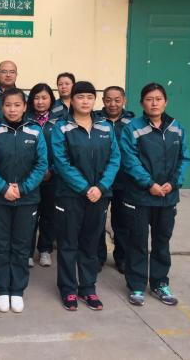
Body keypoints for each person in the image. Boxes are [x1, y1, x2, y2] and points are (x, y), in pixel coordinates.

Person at [51, 81, 120, 311]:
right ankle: (68, 289)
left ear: (94, 100)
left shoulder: (105, 127)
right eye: (80, 97)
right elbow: (61, 162)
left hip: (99, 195)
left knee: (90, 243)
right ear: (72, 100)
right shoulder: (61, 127)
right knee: (68, 244)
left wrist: (100, 187)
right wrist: (85, 188)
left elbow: (114, 159)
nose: (85, 101)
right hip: (70, 196)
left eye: (89, 97)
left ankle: (88, 288)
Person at [120, 83, 190, 307]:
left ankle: (160, 283)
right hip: (140, 197)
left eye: (158, 99)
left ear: (165, 102)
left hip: (167, 197)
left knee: (162, 241)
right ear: (142, 103)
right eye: (149, 99)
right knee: (138, 241)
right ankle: (137, 285)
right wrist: (149, 184)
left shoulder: (177, 128)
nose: (154, 103)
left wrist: (173, 183)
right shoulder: (132, 128)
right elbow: (129, 160)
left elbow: (184, 159)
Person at [0, 88, 48, 313]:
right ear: (2, 107)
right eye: (8, 105)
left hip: (27, 199)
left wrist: (23, 188)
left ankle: (17, 289)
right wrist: (3, 188)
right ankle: (2, 289)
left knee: (21, 245)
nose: (12, 109)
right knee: (1, 245)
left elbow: (41, 164)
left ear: (25, 106)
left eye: (17, 105)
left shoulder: (35, 131)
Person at [95, 86, 135, 274]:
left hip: (124, 181)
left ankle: (122, 258)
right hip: (100, 180)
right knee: (97, 222)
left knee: (123, 222)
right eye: (109, 100)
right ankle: (97, 257)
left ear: (124, 100)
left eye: (117, 100)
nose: (113, 104)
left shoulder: (132, 122)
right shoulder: (95, 119)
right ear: (103, 101)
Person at [26, 83, 58, 268]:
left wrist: (51, 170)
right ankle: (28, 252)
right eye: (36, 98)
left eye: (44, 98)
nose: (40, 101)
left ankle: (45, 249)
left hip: (52, 177)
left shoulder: (58, 122)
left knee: (48, 215)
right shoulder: (25, 119)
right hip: (30, 177)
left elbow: (62, 151)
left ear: (51, 100)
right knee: (30, 215)